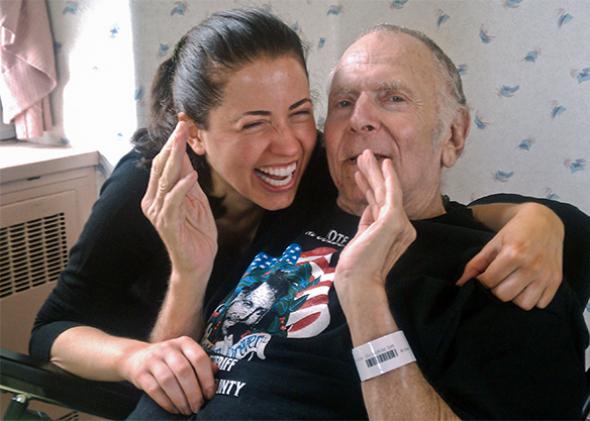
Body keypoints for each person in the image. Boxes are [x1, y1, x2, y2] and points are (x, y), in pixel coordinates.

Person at [29, 8, 585, 417]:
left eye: (392, 97)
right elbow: (88, 334)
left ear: (455, 133)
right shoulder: (272, 195)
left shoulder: (493, 276)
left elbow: (462, 217)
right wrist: (187, 276)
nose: (359, 119)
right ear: (195, 135)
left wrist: (542, 217)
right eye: (343, 102)